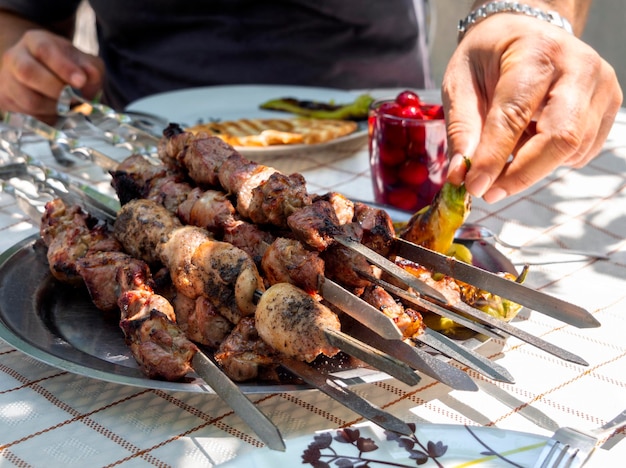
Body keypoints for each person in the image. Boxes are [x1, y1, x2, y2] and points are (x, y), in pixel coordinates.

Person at [0, 1, 621, 204]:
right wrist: (19, 63)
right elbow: (16, 19)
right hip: (141, 165)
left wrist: (527, 18)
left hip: (384, 170)